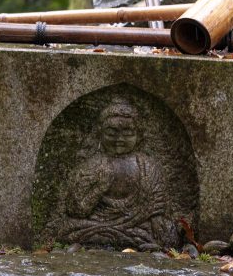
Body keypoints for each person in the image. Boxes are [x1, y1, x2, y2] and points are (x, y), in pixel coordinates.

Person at [59, 97, 178, 248]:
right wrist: (99, 188)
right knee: (67, 228)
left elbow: (158, 207)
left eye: (127, 133)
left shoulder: (147, 166)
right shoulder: (92, 164)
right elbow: (75, 209)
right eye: (112, 132)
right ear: (100, 133)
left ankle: (119, 238)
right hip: (96, 224)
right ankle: (123, 238)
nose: (119, 139)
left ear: (139, 135)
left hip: (138, 225)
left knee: (168, 232)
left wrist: (157, 221)